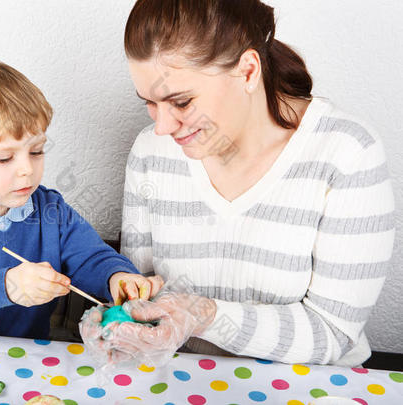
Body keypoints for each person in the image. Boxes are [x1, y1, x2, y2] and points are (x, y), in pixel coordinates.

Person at [82, 0, 395, 366]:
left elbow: (334, 333)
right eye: (149, 103)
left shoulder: (347, 154)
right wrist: (118, 321)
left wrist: (205, 315)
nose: (162, 126)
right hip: (181, 380)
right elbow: (144, 293)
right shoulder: (152, 152)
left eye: (181, 102)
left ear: (248, 71)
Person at [0, 60, 163, 338]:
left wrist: (116, 277)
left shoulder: (52, 211)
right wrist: (7, 285)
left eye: (36, 151)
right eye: (4, 158)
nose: (27, 169)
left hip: (20, 359)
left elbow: (91, 257)